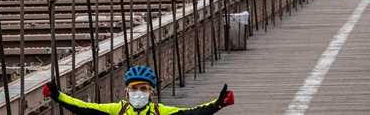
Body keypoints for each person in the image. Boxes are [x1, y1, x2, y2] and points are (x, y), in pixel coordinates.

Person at [43, 65, 235, 114]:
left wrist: (217, 104)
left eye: (144, 89)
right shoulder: (117, 110)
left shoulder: (160, 112)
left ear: (151, 92)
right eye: (134, 88)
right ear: (126, 91)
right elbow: (84, 108)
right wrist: (58, 95)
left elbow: (192, 113)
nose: (139, 92)